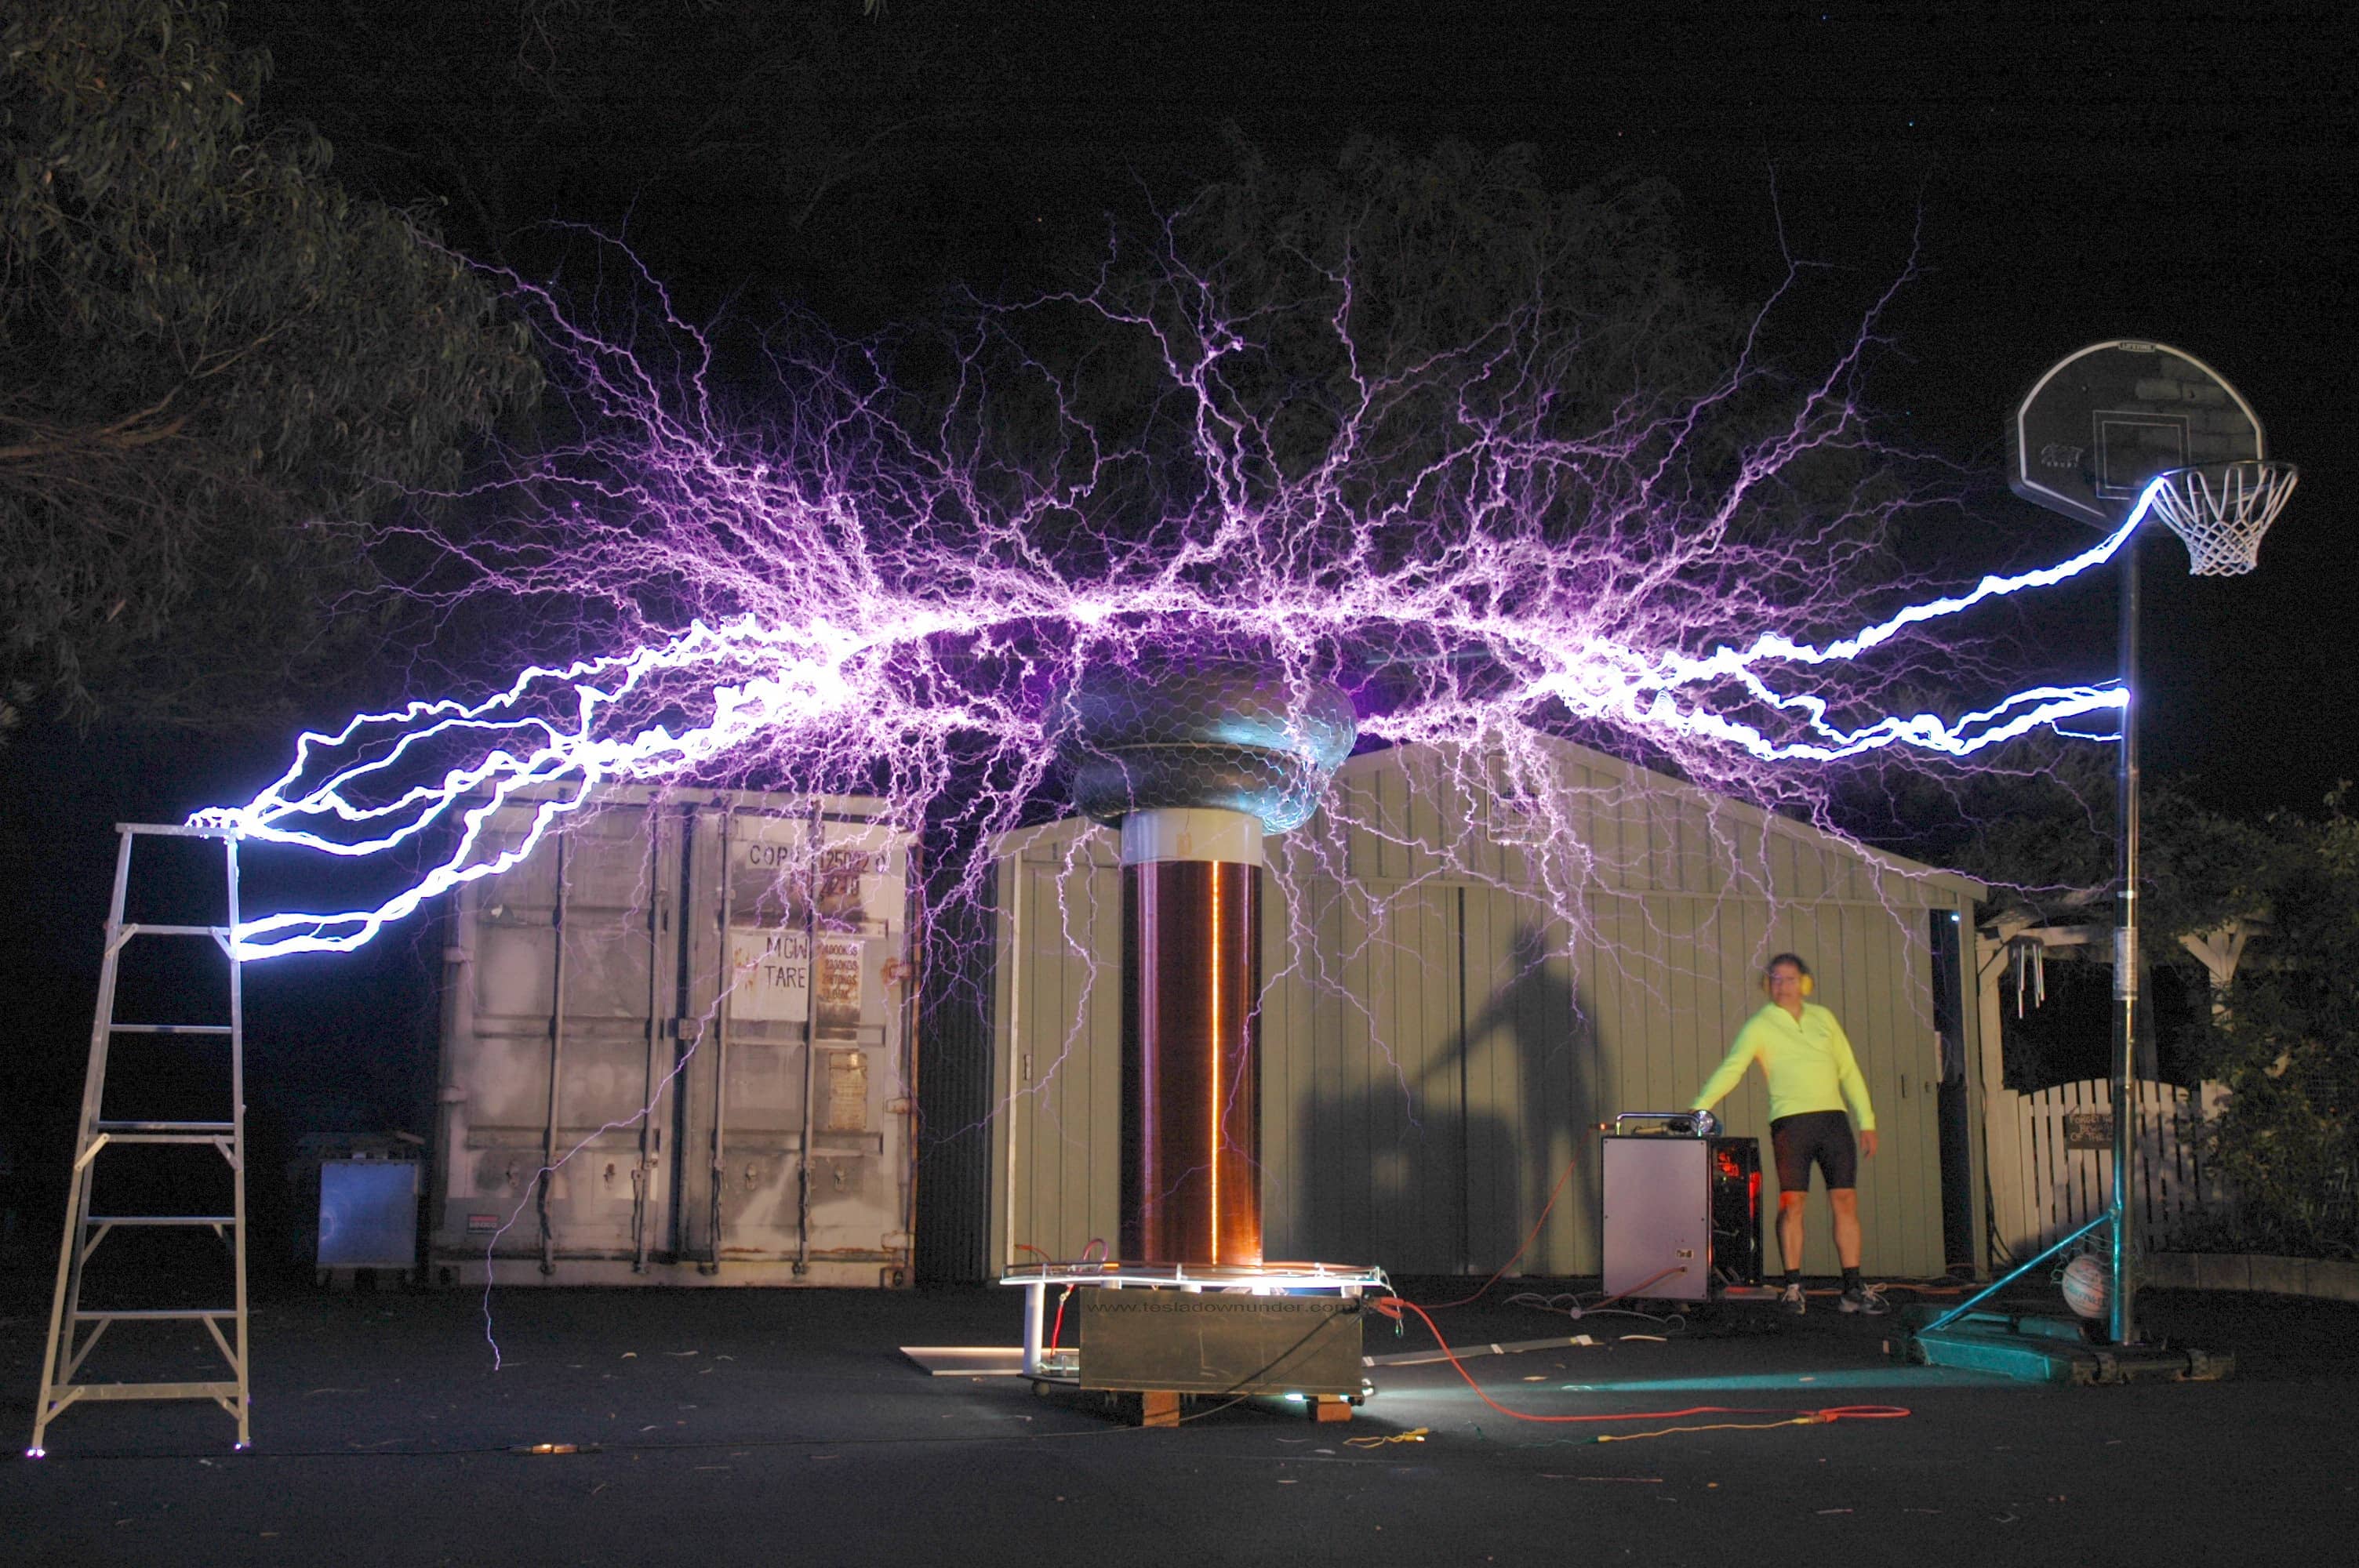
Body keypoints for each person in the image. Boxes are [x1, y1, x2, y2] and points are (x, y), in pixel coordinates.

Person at [1690, 953, 1886, 1316]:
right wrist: (1700, 1106)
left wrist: (1867, 1121)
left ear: (1805, 983)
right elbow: (1733, 1068)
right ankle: (1793, 1286)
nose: (1783, 986)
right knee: (1792, 1203)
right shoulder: (1760, 1025)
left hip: (1833, 1121)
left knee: (1845, 1200)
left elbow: (1849, 1070)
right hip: (1791, 1123)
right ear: (1768, 985)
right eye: (1776, 979)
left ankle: (1852, 1288)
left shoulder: (1824, 1019)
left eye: (1790, 979)